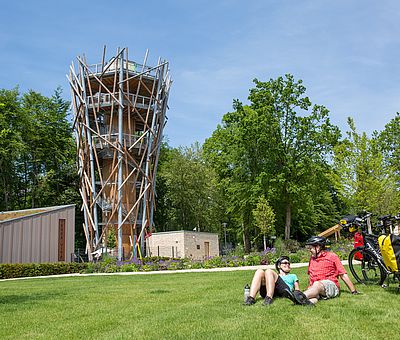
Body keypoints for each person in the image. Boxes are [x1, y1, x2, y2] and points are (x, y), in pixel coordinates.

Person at [298, 236, 359, 305]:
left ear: (318, 247)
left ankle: (300, 296)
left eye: (311, 248)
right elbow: (312, 275)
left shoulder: (332, 256)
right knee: (313, 297)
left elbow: (343, 274)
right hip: (318, 288)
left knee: (317, 284)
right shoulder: (312, 259)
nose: (309, 250)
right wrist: (310, 288)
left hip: (331, 285)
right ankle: (305, 302)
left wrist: (353, 291)